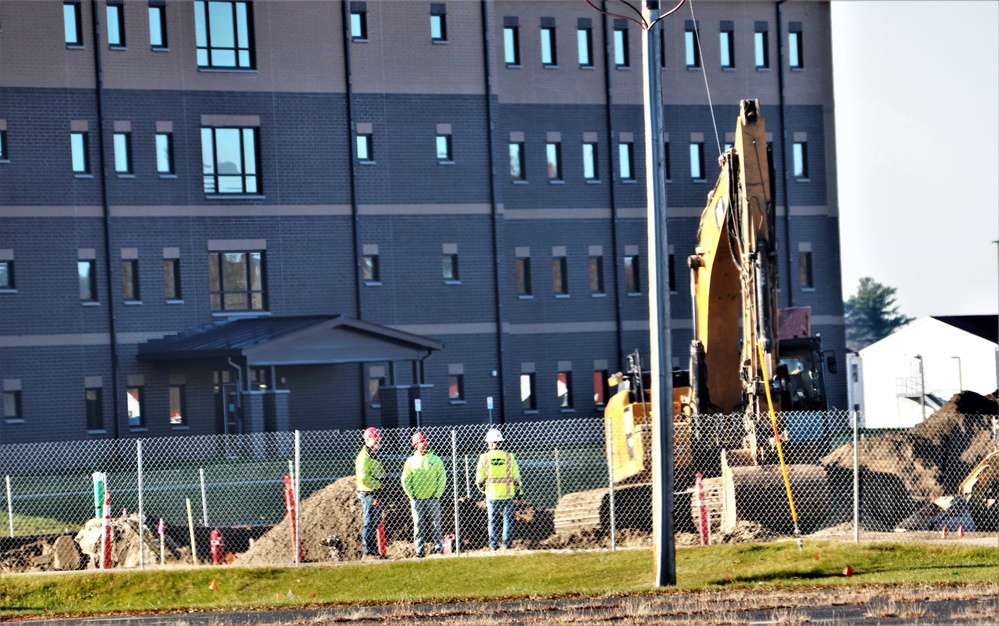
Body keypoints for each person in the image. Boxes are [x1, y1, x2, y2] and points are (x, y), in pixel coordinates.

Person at [400, 431, 447, 557]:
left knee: (436, 524)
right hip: (417, 499)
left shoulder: (436, 460)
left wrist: (437, 494)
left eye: (426, 441)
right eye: (422, 442)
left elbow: (442, 478)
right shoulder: (411, 461)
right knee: (418, 525)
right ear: (416, 445)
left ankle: (438, 549)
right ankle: (419, 551)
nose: (425, 444)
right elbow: (405, 480)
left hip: (433, 499)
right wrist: (412, 495)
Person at [475, 428, 522, 550]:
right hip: (507, 494)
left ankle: (493, 545)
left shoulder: (484, 458)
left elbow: (480, 480)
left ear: (490, 443)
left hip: (492, 494)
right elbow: (516, 477)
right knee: (507, 520)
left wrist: (483, 490)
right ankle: (507, 544)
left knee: (492, 520)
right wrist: (519, 493)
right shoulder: (509, 457)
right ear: (500, 443)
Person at [355, 426, 386, 558]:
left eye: (378, 439)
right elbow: (364, 478)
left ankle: (372, 549)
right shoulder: (364, 457)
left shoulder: (373, 455)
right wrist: (379, 485)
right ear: (367, 440)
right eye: (375, 439)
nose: (378, 441)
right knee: (369, 521)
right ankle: (368, 550)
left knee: (374, 522)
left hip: (375, 492)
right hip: (369, 493)